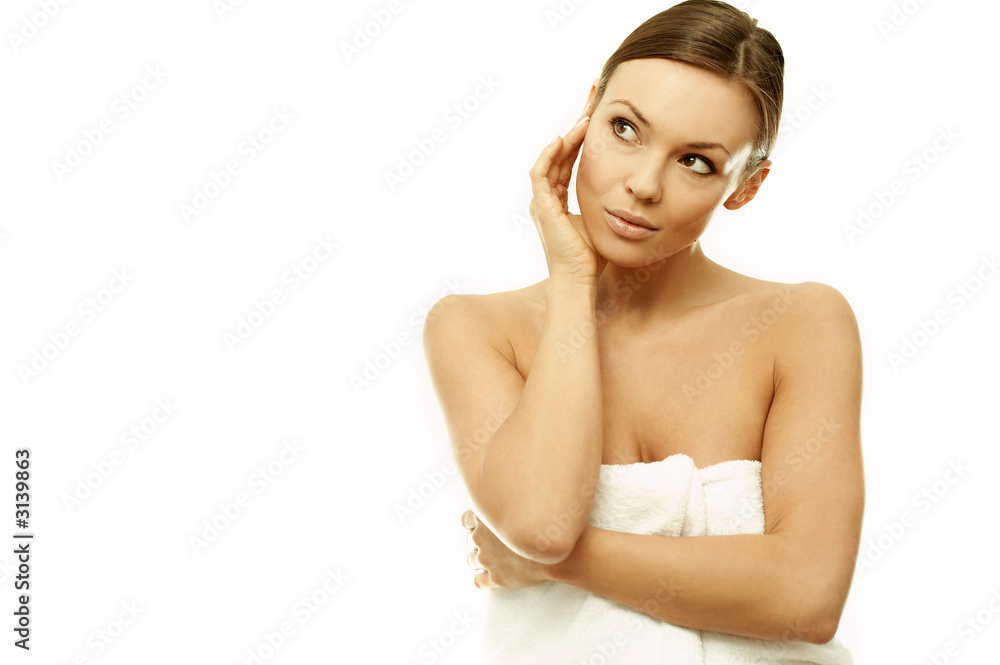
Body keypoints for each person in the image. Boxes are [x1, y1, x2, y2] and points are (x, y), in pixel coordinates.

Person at [422, 1, 863, 662]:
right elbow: (542, 524)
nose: (643, 184)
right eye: (625, 128)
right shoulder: (476, 329)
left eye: (696, 162)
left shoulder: (802, 324)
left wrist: (557, 564)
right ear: (589, 112)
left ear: (745, 186)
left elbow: (807, 597)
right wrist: (573, 281)